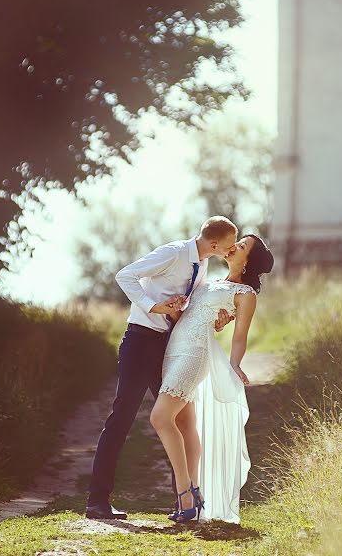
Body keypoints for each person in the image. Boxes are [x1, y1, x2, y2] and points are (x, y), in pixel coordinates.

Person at [86, 216, 238, 520]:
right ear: (214, 243)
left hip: (168, 345)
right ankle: (97, 502)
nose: (232, 250)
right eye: (230, 245)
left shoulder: (203, 264)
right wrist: (153, 306)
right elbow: (125, 275)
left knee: (180, 419)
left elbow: (191, 309)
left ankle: (184, 502)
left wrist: (214, 318)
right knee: (122, 417)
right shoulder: (174, 253)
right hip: (140, 341)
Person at [150, 234, 274, 524]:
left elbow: (240, 337)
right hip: (174, 349)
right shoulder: (208, 281)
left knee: (160, 418)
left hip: (195, 354)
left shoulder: (246, 294)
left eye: (242, 247)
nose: (235, 246)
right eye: (239, 241)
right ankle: (194, 493)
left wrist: (235, 364)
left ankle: (186, 493)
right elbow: (191, 315)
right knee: (184, 423)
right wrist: (174, 308)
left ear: (248, 262)